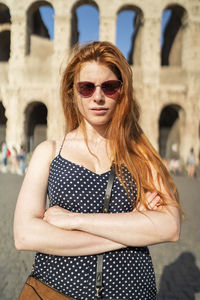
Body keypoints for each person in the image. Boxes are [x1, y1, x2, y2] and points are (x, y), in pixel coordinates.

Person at [14, 41, 182, 300]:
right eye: (86, 87)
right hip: (55, 291)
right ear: (72, 91)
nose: (98, 96)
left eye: (110, 87)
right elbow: (25, 235)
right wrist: (133, 229)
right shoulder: (49, 152)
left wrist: (74, 220)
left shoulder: (141, 155)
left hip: (131, 292)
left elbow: (169, 226)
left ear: (122, 92)